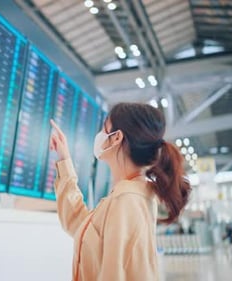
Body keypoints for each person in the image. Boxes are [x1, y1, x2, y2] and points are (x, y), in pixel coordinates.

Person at [49, 102, 191, 281]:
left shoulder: (127, 201)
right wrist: (65, 160)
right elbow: (79, 225)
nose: (100, 135)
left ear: (116, 138)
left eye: (104, 128)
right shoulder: (130, 195)